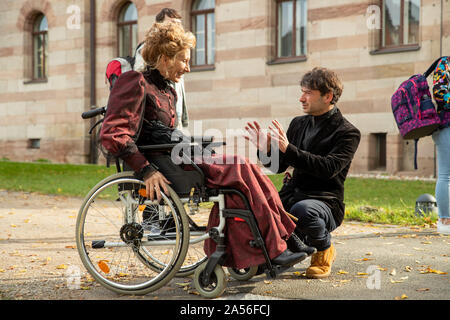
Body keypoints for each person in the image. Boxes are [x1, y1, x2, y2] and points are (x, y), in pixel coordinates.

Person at [99, 21, 306, 269]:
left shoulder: (166, 90)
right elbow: (112, 133)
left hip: (178, 157)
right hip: (164, 165)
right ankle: (273, 247)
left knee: (248, 167)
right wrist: (145, 170)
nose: (188, 67)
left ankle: (281, 239)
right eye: (183, 60)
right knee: (239, 167)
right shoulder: (135, 81)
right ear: (165, 58)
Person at [246, 67, 361, 278]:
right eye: (302, 91)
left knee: (303, 210)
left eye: (308, 93)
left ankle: (324, 250)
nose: (301, 98)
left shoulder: (348, 132)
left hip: (325, 203)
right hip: (292, 197)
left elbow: (328, 168)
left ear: (328, 96)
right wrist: (265, 149)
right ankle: (272, 254)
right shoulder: (298, 123)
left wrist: (288, 149)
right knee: (255, 205)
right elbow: (279, 166)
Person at [134, 8, 188, 130]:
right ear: (159, 25)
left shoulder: (179, 51)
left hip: (174, 114)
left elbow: (179, 88)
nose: (176, 27)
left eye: (179, 23)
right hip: (158, 116)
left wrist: (182, 118)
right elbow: (140, 77)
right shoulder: (147, 48)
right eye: (172, 23)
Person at [432, 56, 450, 235]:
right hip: (447, 125)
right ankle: (445, 220)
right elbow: (439, 91)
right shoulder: (445, 63)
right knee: (446, 175)